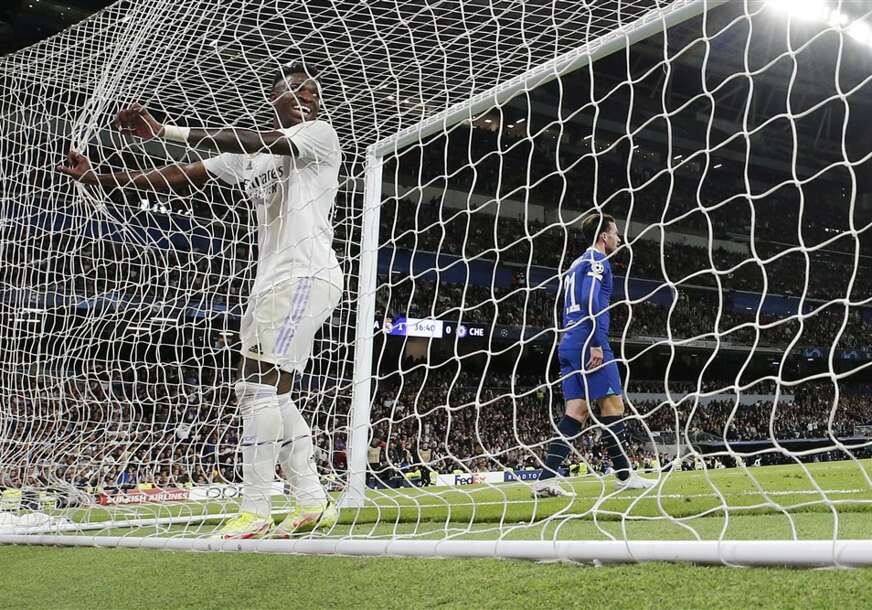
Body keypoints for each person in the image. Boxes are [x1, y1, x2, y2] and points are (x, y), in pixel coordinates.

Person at [56, 60, 343, 538]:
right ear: (273, 100)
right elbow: (179, 176)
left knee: (254, 388)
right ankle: (312, 500)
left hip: (304, 275)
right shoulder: (249, 160)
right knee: (276, 392)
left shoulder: (318, 135)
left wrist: (168, 128)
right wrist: (100, 180)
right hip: (274, 280)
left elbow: (256, 140)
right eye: (292, 91)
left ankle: (255, 509)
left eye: (310, 92)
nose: (303, 98)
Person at [533, 213, 655, 497]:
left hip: (569, 340)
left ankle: (544, 480)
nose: (618, 238)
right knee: (614, 406)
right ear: (603, 236)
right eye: (615, 233)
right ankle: (625, 476)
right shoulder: (598, 262)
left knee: (576, 412)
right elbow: (589, 298)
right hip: (590, 340)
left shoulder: (574, 264)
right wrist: (597, 342)